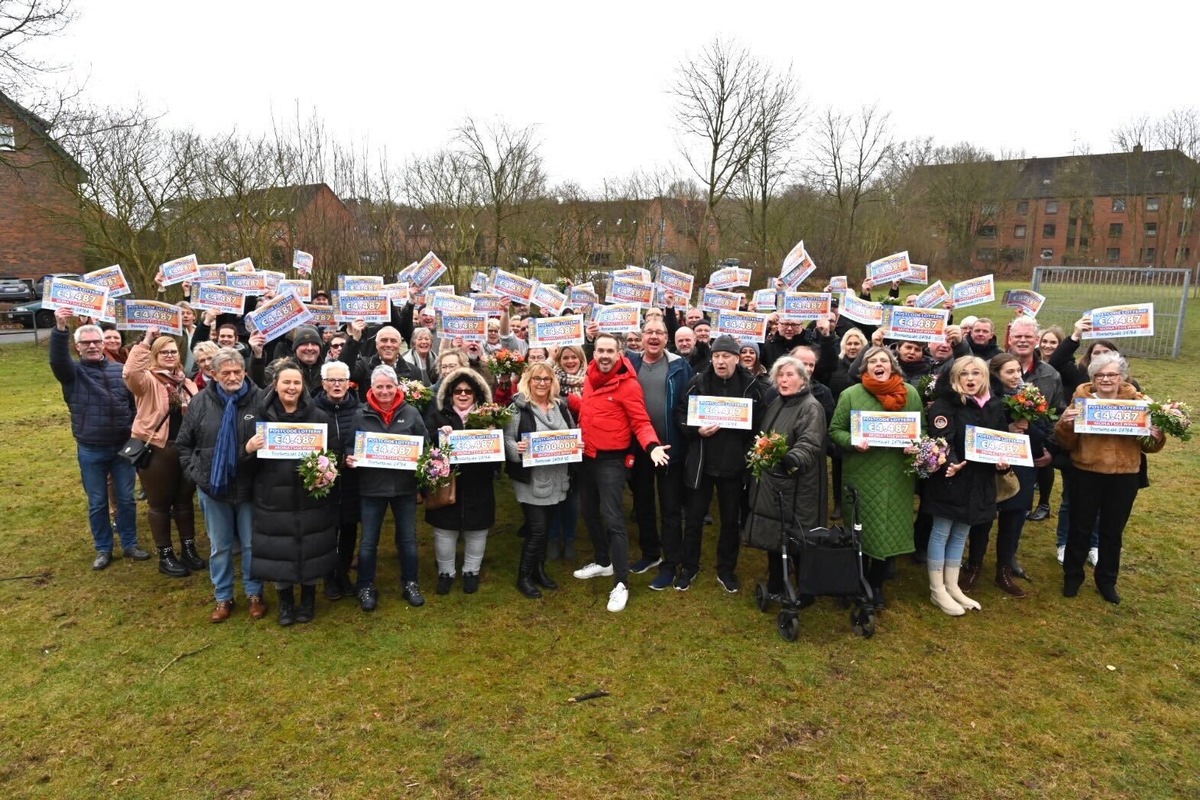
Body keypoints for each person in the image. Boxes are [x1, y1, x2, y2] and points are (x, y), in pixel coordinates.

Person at [570, 333, 671, 613]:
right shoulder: (590, 377)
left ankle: (621, 583)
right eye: (600, 350)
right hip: (586, 457)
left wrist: (651, 446)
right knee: (588, 511)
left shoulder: (628, 385)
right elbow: (592, 410)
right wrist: (570, 401)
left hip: (611, 461)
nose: (604, 355)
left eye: (609, 351)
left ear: (619, 354)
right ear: (594, 354)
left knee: (613, 519)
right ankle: (604, 562)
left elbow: (640, 422)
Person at [1054, 353, 1165, 604]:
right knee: (1080, 527)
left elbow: (1148, 446)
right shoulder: (1081, 401)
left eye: (1112, 374)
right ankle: (1072, 576)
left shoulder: (1138, 403)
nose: (1106, 379)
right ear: (1092, 377)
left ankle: (1106, 580)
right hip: (1086, 472)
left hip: (1124, 476)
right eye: (1100, 375)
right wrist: (1064, 425)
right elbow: (1066, 443)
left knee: (1112, 531)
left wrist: (1156, 435)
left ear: (1122, 377)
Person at [828, 346, 923, 609]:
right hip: (861, 471)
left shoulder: (910, 394)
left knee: (886, 528)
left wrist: (916, 443)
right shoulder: (851, 395)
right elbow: (835, 430)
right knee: (859, 525)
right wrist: (853, 441)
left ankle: (877, 584)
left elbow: (922, 428)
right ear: (864, 368)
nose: (878, 364)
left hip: (896, 474)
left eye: (884, 360)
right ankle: (853, 580)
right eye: (872, 361)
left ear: (893, 367)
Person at [243, 362, 337, 625]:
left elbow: (334, 453)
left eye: (296, 383)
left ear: (303, 387)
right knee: (279, 551)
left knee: (311, 548)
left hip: (310, 498)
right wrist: (248, 448)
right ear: (276, 385)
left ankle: (308, 600)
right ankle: (285, 603)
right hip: (273, 497)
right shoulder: (260, 416)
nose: (291, 387)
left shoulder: (318, 417)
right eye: (286, 382)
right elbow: (244, 464)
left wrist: (325, 471)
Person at [177, 349, 267, 622]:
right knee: (220, 546)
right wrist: (197, 473)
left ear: (245, 372)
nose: (232, 377)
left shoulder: (261, 399)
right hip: (213, 488)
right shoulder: (200, 403)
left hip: (250, 487)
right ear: (213, 374)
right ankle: (223, 596)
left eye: (237, 371)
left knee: (252, 545)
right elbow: (183, 445)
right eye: (225, 372)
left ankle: (255, 593)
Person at [675, 335, 771, 592]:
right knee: (694, 520)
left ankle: (726, 570)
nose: (720, 361)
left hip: (734, 466)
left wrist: (748, 444)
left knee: (730, 522)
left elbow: (761, 423)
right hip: (702, 465)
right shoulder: (698, 382)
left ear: (737, 359)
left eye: (726, 356)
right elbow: (681, 415)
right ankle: (688, 567)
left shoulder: (751, 386)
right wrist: (697, 431)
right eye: (716, 356)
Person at [50, 309, 144, 569]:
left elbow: (133, 405)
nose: (92, 346)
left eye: (96, 342)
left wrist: (134, 432)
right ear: (78, 348)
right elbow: (58, 360)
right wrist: (60, 326)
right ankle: (103, 548)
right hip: (91, 448)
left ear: (104, 344)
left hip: (123, 446)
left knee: (126, 498)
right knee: (98, 502)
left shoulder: (121, 371)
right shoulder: (72, 374)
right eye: (85, 343)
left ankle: (130, 543)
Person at [920, 356, 1008, 615]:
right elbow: (942, 440)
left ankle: (952, 585)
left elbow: (1000, 439)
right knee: (941, 531)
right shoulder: (945, 405)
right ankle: (937, 589)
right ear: (955, 378)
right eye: (964, 374)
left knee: (961, 533)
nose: (971, 379)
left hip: (980, 481)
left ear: (985, 377)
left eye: (976, 374)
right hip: (951, 478)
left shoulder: (994, 405)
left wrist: (1003, 462)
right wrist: (954, 462)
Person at [963, 353, 1050, 598]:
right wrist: (1007, 430)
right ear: (996, 375)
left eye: (1018, 371)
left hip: (1021, 466)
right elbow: (976, 433)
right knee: (983, 519)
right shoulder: (987, 399)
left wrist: (1027, 426)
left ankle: (1004, 570)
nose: (1015, 376)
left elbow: (1043, 433)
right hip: (990, 466)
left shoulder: (1031, 398)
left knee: (1012, 519)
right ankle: (974, 565)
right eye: (1009, 372)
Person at [741, 356, 827, 600]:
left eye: (790, 375)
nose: (784, 379)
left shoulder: (810, 407)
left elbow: (810, 443)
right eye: (780, 375)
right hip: (774, 482)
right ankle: (776, 584)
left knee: (799, 540)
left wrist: (792, 459)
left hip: (798, 485)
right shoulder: (778, 402)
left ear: (803, 379)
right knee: (774, 536)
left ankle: (806, 590)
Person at [345, 365, 428, 611]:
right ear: (372, 388)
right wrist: (349, 458)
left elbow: (425, 443)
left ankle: (411, 583)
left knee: (408, 539)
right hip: (372, 488)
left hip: (404, 487)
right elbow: (350, 446)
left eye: (389, 386)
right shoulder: (361, 414)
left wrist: (422, 462)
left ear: (397, 387)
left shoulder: (411, 412)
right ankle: (365, 585)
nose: (384, 391)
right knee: (369, 541)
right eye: (379, 386)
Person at [123, 327, 202, 578]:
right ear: (155, 356)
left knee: (184, 501)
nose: (169, 356)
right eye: (163, 352)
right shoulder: (147, 382)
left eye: (173, 352)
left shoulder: (187, 383)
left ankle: (189, 549)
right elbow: (131, 372)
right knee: (159, 504)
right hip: (158, 450)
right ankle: (165, 555)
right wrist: (146, 342)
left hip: (185, 451)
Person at [624, 317, 693, 583]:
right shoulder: (631, 364)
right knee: (642, 504)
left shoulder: (679, 365)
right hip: (640, 447)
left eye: (660, 333)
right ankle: (650, 552)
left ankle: (670, 561)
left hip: (669, 448)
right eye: (649, 332)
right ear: (641, 337)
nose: (654, 337)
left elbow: (689, 401)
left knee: (671, 507)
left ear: (667, 338)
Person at [504, 362, 574, 598]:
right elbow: (507, 440)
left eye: (546, 379)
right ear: (528, 381)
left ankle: (539, 571)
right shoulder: (518, 409)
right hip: (531, 480)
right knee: (537, 529)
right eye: (537, 379)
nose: (542, 383)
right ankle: (523, 577)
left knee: (545, 529)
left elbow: (572, 433)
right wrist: (517, 448)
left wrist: (578, 444)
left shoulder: (561, 407)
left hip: (556, 478)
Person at [424, 367, 497, 595]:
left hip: (479, 483)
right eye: (458, 391)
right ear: (450, 394)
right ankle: (446, 573)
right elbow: (425, 446)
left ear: (476, 394)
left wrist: (492, 435)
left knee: (478, 528)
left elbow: (497, 458)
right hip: (446, 483)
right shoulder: (437, 416)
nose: (463, 395)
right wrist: (438, 436)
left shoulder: (488, 418)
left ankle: (471, 571)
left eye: (468, 391)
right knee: (444, 529)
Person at [312, 360, 362, 601]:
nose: (336, 384)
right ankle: (329, 577)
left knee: (350, 528)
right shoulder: (312, 410)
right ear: (323, 383)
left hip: (352, 482)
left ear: (348, 383)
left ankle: (343, 574)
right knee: (327, 532)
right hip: (324, 484)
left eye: (341, 380)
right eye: (332, 380)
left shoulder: (359, 410)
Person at [550, 344, 588, 560]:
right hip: (558, 445)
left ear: (581, 359)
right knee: (556, 494)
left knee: (573, 495)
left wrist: (579, 403)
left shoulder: (590, 381)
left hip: (583, 446)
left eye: (574, 357)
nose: (570, 361)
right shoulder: (552, 382)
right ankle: (554, 538)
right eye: (565, 358)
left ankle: (570, 538)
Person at [827, 327, 868, 519]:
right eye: (849, 343)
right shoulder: (835, 365)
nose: (853, 347)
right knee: (838, 465)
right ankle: (839, 504)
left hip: (863, 422)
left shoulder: (868, 366)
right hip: (841, 421)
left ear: (863, 346)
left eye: (857, 343)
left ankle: (858, 502)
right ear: (844, 345)